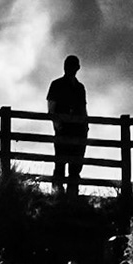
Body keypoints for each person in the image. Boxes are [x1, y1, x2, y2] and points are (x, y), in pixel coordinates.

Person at [47, 54, 88, 196]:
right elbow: (51, 108)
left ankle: (72, 193)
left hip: (77, 131)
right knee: (60, 161)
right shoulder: (57, 85)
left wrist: (85, 126)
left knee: (75, 165)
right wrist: (57, 124)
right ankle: (58, 192)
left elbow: (83, 109)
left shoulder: (79, 88)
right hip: (64, 130)